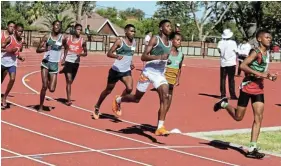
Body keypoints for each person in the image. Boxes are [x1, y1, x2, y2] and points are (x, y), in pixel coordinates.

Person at [214, 29, 278, 159]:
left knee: (258, 117)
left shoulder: (267, 53)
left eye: (270, 37)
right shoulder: (255, 52)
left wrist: (269, 76)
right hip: (247, 87)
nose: (269, 39)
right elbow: (243, 65)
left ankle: (252, 148)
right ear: (259, 39)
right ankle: (224, 104)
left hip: (259, 88)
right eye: (266, 37)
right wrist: (260, 74)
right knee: (238, 117)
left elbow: (262, 70)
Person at [112, 20, 172, 136]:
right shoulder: (155, 39)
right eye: (167, 26)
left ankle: (160, 127)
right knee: (136, 98)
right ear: (161, 28)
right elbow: (143, 57)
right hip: (148, 72)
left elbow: (166, 57)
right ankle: (119, 99)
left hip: (159, 74)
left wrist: (167, 60)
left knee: (165, 95)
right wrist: (160, 57)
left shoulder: (169, 43)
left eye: (171, 26)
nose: (170, 28)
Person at [92, 24, 136, 119]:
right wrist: (116, 56)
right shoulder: (120, 41)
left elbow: (130, 54)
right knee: (108, 90)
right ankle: (97, 106)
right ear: (126, 31)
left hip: (126, 71)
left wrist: (131, 62)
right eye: (131, 31)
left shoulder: (134, 43)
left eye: (134, 31)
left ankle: (118, 101)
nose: (133, 33)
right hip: (115, 71)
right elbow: (109, 53)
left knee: (129, 88)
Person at [36, 20, 67, 111]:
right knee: (44, 86)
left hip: (54, 65)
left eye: (59, 25)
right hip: (45, 63)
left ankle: (49, 79)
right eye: (56, 25)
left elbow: (66, 48)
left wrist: (64, 58)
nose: (57, 27)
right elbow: (37, 50)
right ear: (52, 26)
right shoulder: (47, 37)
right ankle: (41, 106)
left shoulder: (63, 38)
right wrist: (45, 48)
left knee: (52, 89)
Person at [60, 23, 87, 106]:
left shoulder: (83, 41)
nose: (79, 31)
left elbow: (86, 53)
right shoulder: (68, 38)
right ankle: (69, 100)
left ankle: (64, 70)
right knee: (68, 80)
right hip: (68, 60)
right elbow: (65, 47)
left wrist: (80, 54)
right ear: (74, 30)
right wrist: (63, 59)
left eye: (80, 30)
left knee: (71, 81)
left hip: (76, 62)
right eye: (78, 29)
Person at [1, 23, 25, 108]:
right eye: (18, 31)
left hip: (12, 63)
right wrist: (10, 50)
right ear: (15, 30)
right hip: (2, 62)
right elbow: (1, 48)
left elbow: (17, 52)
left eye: (21, 31)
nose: (20, 33)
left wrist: (20, 57)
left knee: (12, 79)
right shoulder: (10, 38)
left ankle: (4, 97)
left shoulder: (21, 41)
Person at [164, 32, 184, 111]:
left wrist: (177, 80)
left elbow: (179, 68)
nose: (179, 42)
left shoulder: (181, 55)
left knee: (167, 105)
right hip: (163, 80)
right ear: (172, 40)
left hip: (172, 82)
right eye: (178, 40)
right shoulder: (166, 52)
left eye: (180, 40)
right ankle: (160, 122)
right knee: (164, 101)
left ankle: (162, 120)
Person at [217, 29, 238, 99]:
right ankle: (232, 95)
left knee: (222, 79)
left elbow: (219, 50)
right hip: (231, 63)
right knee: (231, 79)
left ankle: (223, 94)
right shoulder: (233, 43)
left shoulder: (220, 42)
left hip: (223, 63)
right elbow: (236, 51)